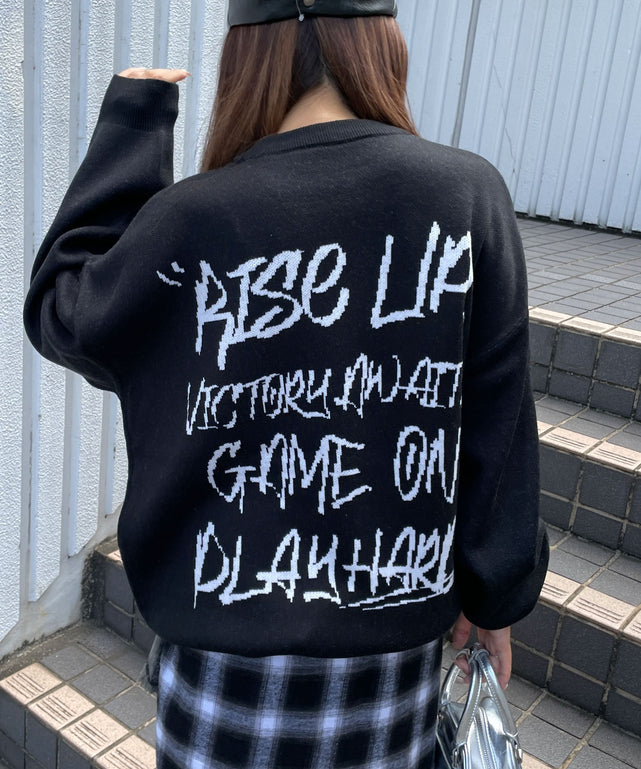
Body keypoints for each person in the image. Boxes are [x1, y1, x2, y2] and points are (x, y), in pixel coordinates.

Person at [24, 1, 549, 766]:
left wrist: (134, 122)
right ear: (382, 44)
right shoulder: (466, 196)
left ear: (244, 59)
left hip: (218, 681)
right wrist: (494, 596)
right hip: (389, 670)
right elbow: (496, 433)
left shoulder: (192, 219)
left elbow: (64, 308)